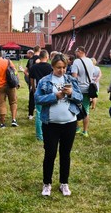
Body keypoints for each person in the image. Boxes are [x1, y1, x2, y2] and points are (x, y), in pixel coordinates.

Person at [34, 53, 83, 197]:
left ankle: (64, 183)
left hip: (69, 123)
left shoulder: (71, 80)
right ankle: (47, 183)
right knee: (50, 154)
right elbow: (37, 99)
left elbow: (80, 97)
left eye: (63, 67)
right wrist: (55, 96)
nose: (61, 70)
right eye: (58, 68)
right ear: (52, 66)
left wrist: (71, 93)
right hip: (50, 124)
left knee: (65, 154)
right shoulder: (45, 81)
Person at [29, 50, 53, 142]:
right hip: (49, 92)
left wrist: (34, 89)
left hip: (39, 91)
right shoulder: (50, 67)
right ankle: (48, 133)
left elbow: (31, 79)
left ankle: (39, 135)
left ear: (40, 57)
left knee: (39, 113)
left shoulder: (34, 67)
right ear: (47, 57)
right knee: (49, 112)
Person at [71, 46, 94, 137]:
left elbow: (74, 76)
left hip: (79, 88)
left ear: (80, 51)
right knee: (86, 109)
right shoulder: (90, 61)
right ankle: (85, 131)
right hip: (88, 89)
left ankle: (77, 128)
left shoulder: (76, 61)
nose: (75, 53)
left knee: (75, 107)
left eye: (76, 51)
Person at [24, 47, 40, 120]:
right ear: (39, 50)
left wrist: (29, 76)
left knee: (31, 96)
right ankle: (38, 110)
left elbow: (25, 71)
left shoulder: (30, 59)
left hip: (31, 80)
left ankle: (30, 114)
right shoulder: (40, 59)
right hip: (39, 80)